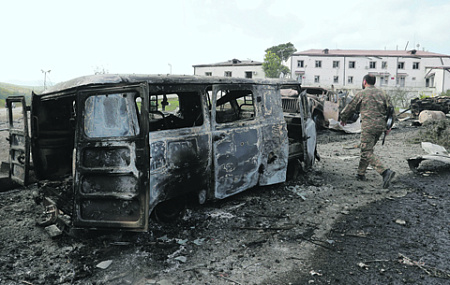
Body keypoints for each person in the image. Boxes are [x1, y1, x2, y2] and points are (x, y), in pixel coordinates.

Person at [340, 74, 395, 189]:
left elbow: (350, 107)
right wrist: (389, 126)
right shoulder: (383, 93)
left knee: (366, 151)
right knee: (367, 149)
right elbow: (391, 111)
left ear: (364, 81)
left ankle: (385, 172)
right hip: (381, 127)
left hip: (368, 126)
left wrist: (343, 118)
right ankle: (361, 173)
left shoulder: (362, 93)